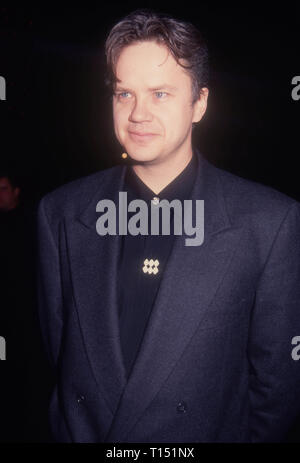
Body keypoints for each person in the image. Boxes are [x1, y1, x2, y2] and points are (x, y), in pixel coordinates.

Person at [37, 9, 300, 443]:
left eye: (160, 94)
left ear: (200, 103)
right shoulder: (60, 213)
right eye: (124, 94)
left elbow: (277, 389)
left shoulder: (270, 223)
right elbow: (60, 358)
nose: (137, 113)